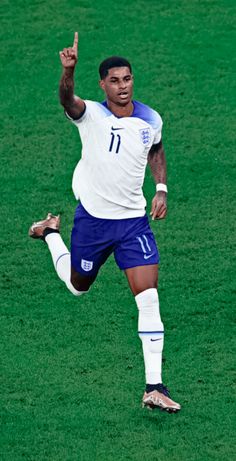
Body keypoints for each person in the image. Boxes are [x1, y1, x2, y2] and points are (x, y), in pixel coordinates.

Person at [29, 32, 181, 412]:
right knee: (78, 287)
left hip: (133, 224)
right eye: (114, 80)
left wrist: (160, 187)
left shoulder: (150, 118)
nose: (122, 86)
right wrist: (68, 72)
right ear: (102, 85)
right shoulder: (91, 115)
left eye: (127, 79)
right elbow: (68, 100)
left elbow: (156, 148)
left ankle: (154, 386)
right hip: (93, 223)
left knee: (149, 300)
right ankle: (50, 233)